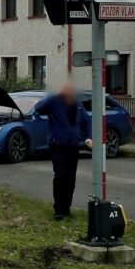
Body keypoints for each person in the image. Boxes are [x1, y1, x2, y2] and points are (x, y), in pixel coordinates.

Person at [36, 81, 93, 220]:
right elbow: (39, 108)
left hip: (73, 146)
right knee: (60, 175)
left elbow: (86, 122)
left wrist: (89, 137)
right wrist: (54, 94)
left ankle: (67, 208)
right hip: (58, 146)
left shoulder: (78, 105)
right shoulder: (54, 102)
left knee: (70, 178)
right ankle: (59, 209)